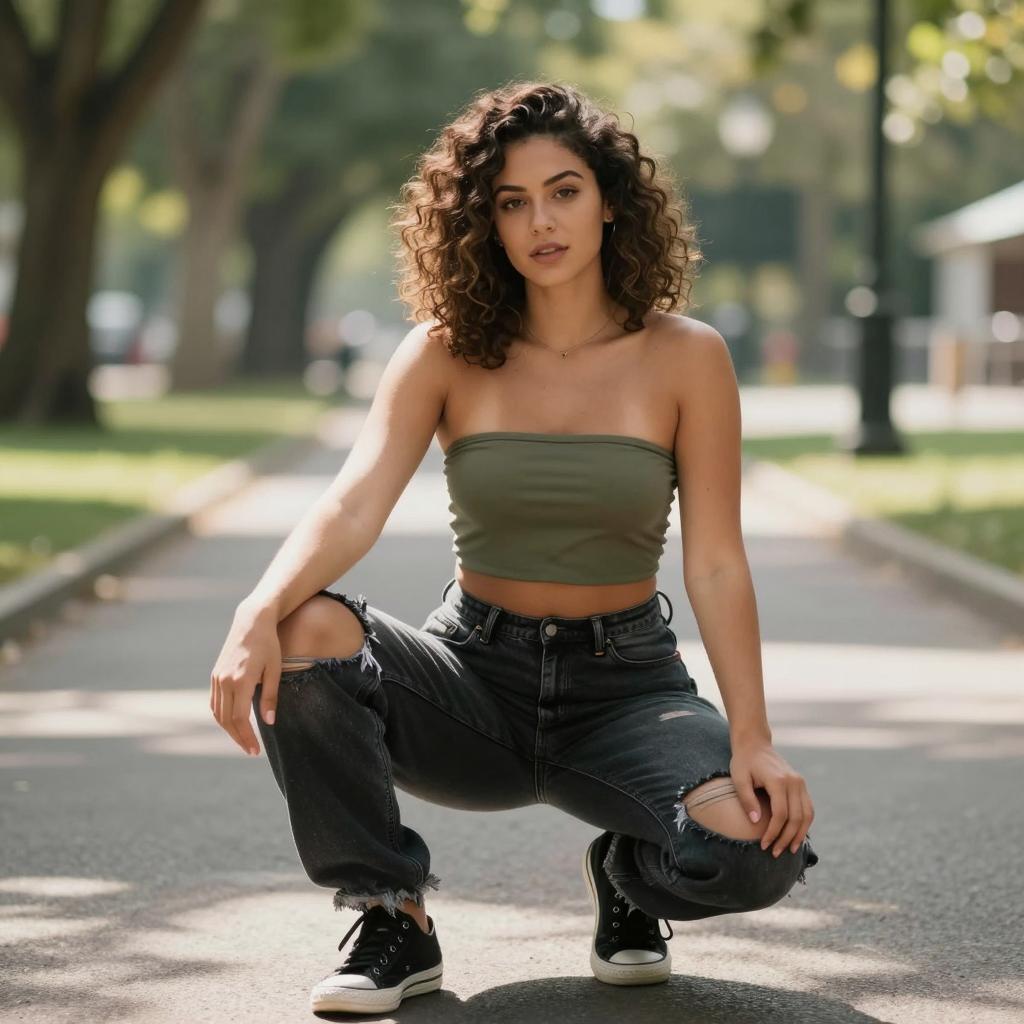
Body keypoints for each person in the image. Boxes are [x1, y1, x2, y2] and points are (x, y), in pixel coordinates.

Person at [210, 80, 819, 1016]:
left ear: (610, 201)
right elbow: (355, 501)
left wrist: (754, 737)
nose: (542, 220)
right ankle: (390, 912)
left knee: (749, 848)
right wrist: (257, 609)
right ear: (482, 221)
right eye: (512, 201)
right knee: (305, 624)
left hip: (630, 688)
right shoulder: (445, 350)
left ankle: (627, 871)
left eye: (564, 190)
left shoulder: (686, 356)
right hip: (471, 680)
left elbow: (715, 561)